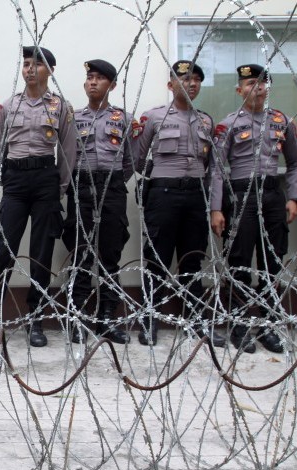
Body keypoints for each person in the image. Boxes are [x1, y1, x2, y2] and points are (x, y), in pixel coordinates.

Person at [0, 46, 76, 350]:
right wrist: (9, 179)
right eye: (26, 64)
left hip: (46, 181)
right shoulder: (8, 106)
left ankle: (36, 319)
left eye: (37, 65)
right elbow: (0, 148)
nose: (30, 69)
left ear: (50, 70)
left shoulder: (61, 107)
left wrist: (58, 188)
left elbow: (68, 153)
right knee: (4, 250)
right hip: (17, 182)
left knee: (41, 254)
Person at [135, 60, 225, 347]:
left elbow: (214, 168)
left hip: (195, 197)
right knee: (157, 259)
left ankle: (195, 318)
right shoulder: (153, 118)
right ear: (170, 84)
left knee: (192, 259)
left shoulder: (206, 121)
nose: (192, 84)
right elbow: (136, 158)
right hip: (162, 195)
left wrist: (214, 206)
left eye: (197, 79)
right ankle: (150, 318)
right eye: (185, 78)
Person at [210, 64, 297, 354]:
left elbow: (294, 164)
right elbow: (217, 169)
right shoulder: (229, 124)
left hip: (273, 196)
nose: (256, 88)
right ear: (240, 90)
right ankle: (239, 325)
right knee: (239, 263)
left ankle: (269, 326)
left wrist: (292, 197)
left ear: (267, 88)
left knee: (271, 264)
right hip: (241, 196)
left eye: (261, 83)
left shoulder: (281, 121)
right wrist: (216, 209)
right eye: (249, 84)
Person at [63, 59, 133, 344]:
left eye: (100, 78)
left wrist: (112, 181)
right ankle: (77, 317)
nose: (93, 82)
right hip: (81, 188)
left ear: (112, 85)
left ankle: (106, 317)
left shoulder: (123, 119)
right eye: (90, 77)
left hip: (112, 188)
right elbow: (65, 157)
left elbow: (131, 160)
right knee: (81, 253)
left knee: (109, 255)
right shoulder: (72, 118)